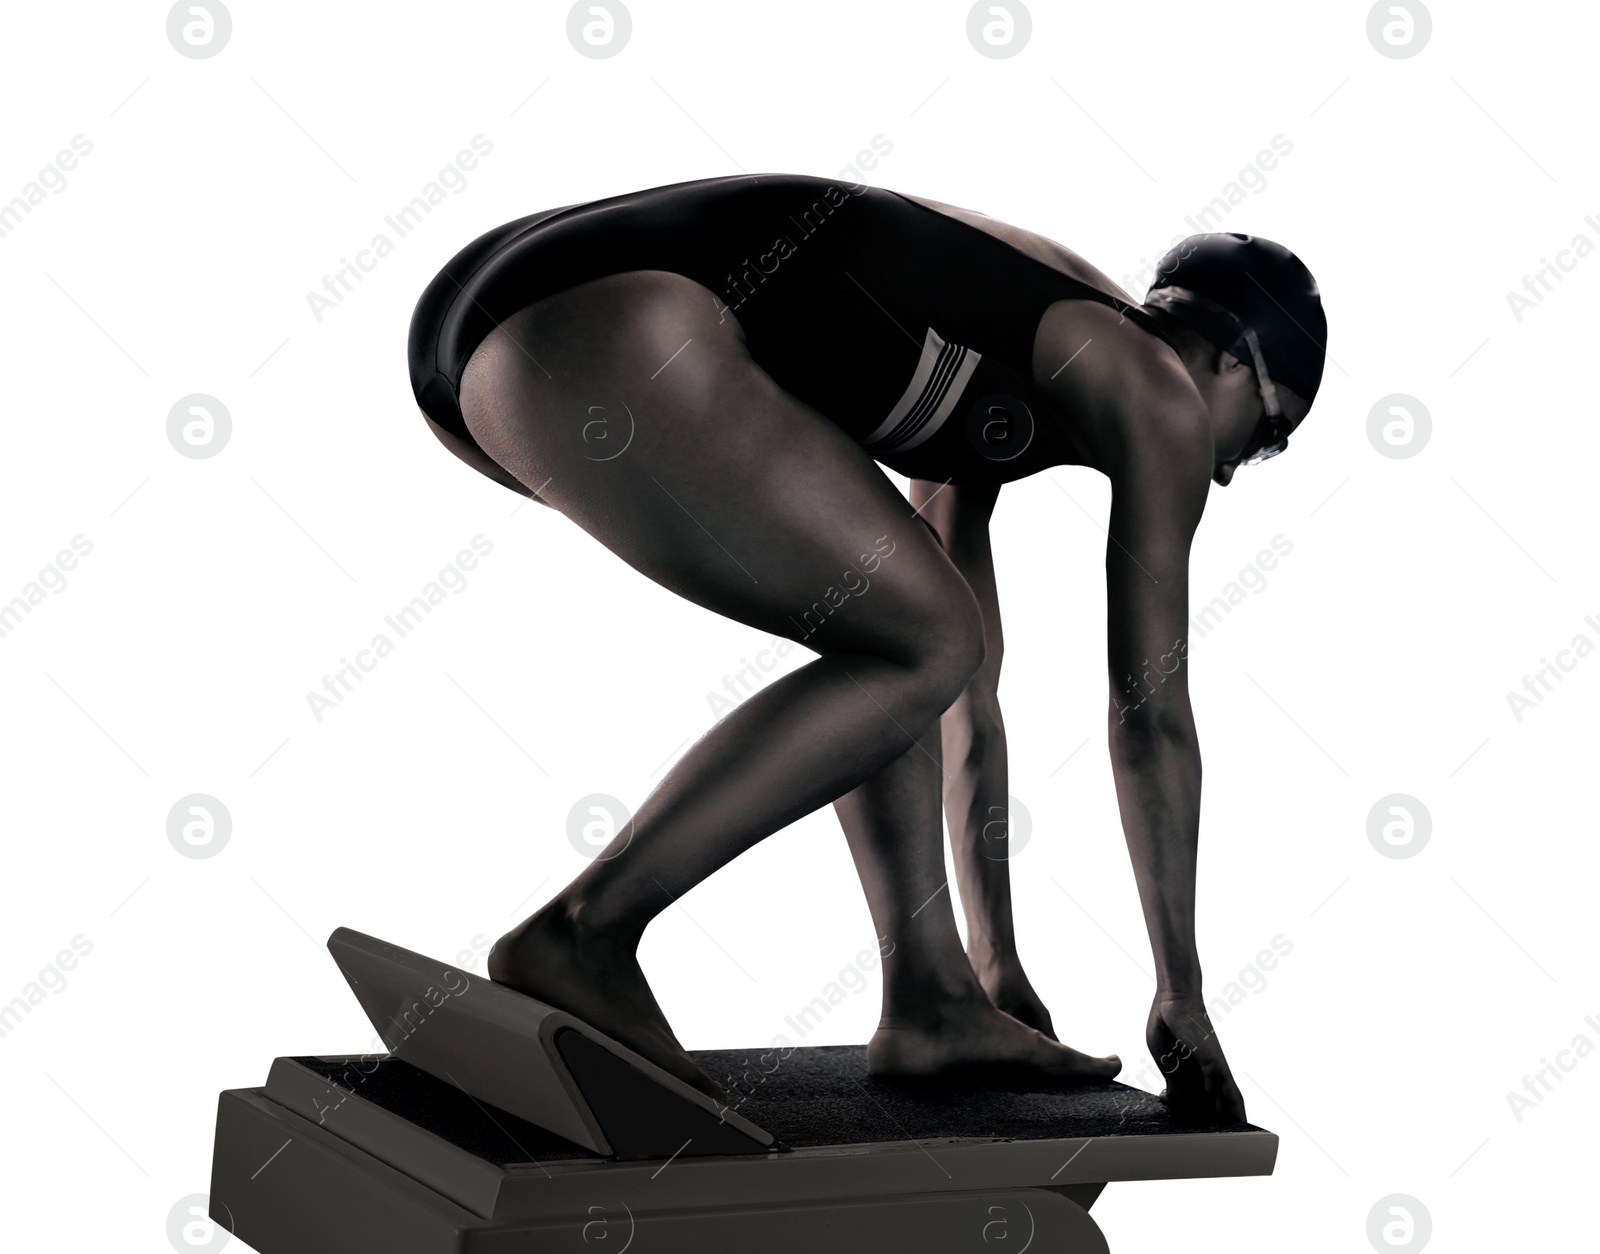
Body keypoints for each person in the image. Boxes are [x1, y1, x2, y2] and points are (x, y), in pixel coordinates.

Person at [407, 173, 1327, 1124]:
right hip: (596, 318)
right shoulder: (1152, 390)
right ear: (1226, 358)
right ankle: (582, 931)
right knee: (924, 634)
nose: (1226, 470)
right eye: (1267, 436)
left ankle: (931, 998)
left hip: (488, 330)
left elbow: (964, 700)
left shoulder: (1026, 357)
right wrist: (1182, 998)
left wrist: (992, 963)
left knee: (909, 633)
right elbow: (1152, 719)